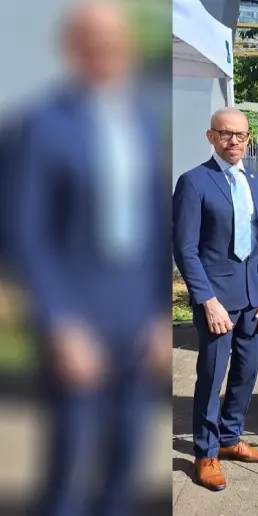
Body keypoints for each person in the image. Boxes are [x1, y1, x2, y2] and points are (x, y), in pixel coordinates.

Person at [13, 3, 169, 515]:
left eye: (115, 42)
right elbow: (27, 234)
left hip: (137, 322)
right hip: (77, 320)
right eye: (94, 42)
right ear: (73, 49)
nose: (107, 52)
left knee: (124, 466)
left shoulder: (141, 122)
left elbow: (155, 228)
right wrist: (59, 322)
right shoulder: (43, 125)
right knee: (70, 472)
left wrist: (161, 315)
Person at [172, 107, 258, 491]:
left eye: (241, 135)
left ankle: (231, 438)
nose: (234, 141)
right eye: (225, 133)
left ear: (249, 139)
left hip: (255, 300)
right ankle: (205, 453)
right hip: (217, 304)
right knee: (212, 376)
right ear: (211, 136)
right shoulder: (194, 182)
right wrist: (207, 300)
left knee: (246, 373)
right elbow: (185, 249)